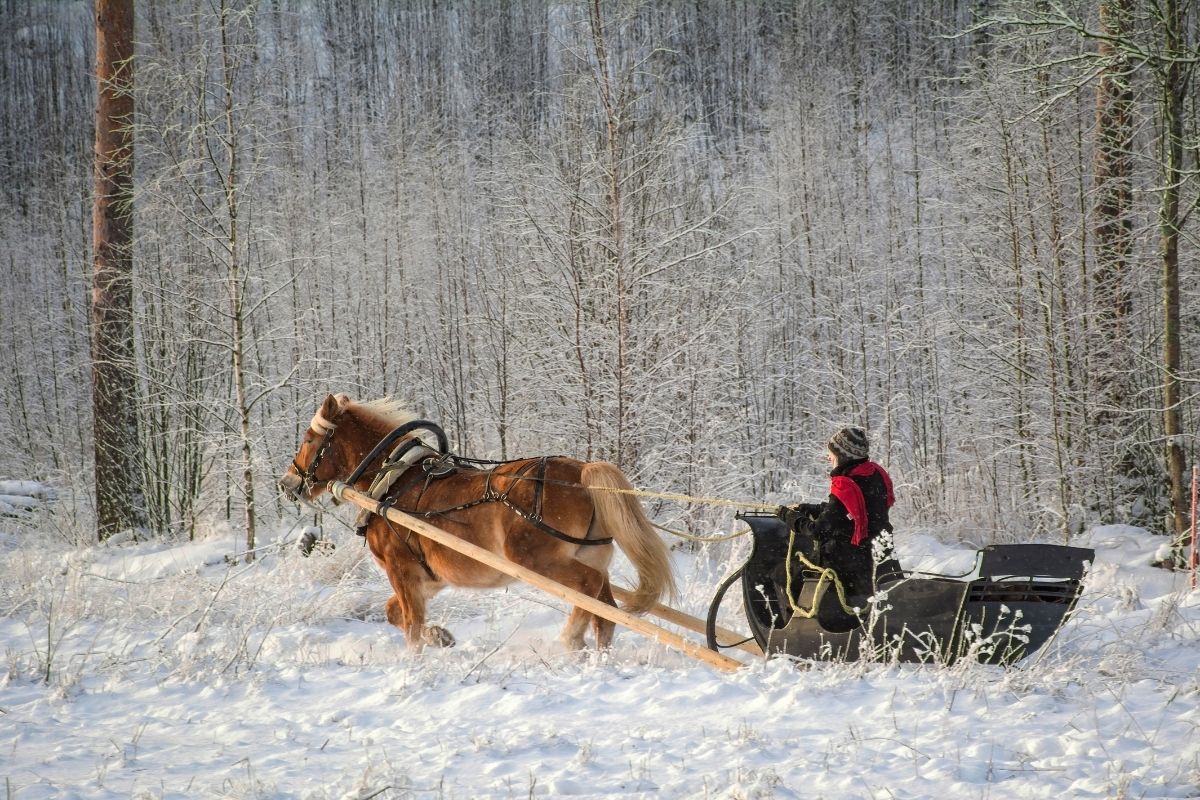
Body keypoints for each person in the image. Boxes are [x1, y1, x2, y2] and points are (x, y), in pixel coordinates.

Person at [778, 426, 895, 599]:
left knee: (783, 575)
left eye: (832, 453)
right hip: (879, 556)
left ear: (843, 455)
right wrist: (814, 508)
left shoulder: (846, 485)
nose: (828, 457)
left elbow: (818, 531)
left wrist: (790, 518)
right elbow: (852, 510)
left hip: (847, 564)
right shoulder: (874, 475)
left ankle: (789, 618)